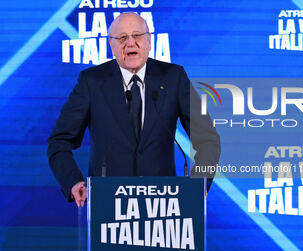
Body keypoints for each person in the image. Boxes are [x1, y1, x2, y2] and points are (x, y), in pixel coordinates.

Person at [47, 12, 220, 207]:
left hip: (164, 208)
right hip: (109, 207)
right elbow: (59, 142)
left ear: (149, 41)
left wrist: (198, 183)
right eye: (121, 38)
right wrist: (73, 181)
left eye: (137, 35)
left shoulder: (174, 77)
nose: (130, 43)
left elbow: (208, 140)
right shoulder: (91, 82)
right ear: (111, 46)